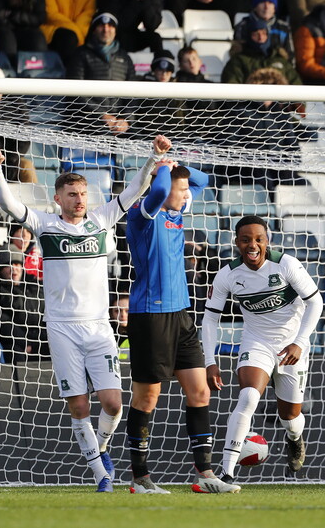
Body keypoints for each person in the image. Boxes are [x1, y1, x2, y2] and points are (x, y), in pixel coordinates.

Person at [0, 136, 169, 492]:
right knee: (79, 404)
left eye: (82, 193)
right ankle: (102, 476)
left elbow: (135, 189)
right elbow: (8, 203)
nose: (79, 200)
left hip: (99, 326)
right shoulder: (45, 225)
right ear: (58, 198)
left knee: (113, 404)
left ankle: (99, 447)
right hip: (62, 328)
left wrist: (153, 157)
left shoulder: (101, 220)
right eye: (71, 194)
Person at [124, 147, 241, 494]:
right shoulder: (143, 213)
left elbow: (203, 180)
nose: (188, 193)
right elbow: (159, 190)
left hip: (181, 314)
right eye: (182, 189)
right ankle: (141, 478)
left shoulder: (178, 210)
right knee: (147, 397)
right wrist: (162, 167)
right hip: (150, 315)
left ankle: (205, 475)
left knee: (200, 390)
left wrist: (180, 167)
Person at [202, 216, 323, 481]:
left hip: (292, 344)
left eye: (258, 239)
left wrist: (299, 343)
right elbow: (210, 317)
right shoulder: (228, 274)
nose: (252, 245)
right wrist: (209, 360)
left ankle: (295, 438)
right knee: (248, 398)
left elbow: (316, 303)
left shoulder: (286, 264)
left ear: (267, 241)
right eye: (246, 240)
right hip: (256, 342)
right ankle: (227, 473)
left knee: (290, 417)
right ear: (237, 242)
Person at [66, 12, 135, 136]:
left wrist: (126, 120)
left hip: (120, 127)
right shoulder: (80, 55)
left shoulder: (125, 58)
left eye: (110, 26)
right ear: (93, 30)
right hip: (87, 124)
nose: (106, 29)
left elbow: (134, 95)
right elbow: (74, 94)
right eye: (101, 25)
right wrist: (102, 115)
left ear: (115, 30)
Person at [222, 16, 301, 85]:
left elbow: (297, 87)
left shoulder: (281, 60)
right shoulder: (238, 61)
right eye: (256, 34)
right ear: (248, 37)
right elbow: (231, 88)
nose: (261, 37)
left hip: (280, 102)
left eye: (264, 33)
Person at [40, 0, 94, 67]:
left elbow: (89, 13)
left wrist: (78, 31)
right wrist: (77, 32)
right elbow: (51, 14)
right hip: (53, 27)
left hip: (82, 28)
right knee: (69, 39)